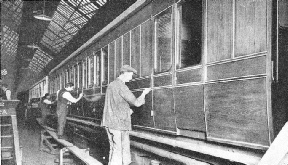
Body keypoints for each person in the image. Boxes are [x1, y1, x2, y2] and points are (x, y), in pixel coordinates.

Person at [102, 65, 151, 165]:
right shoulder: (122, 86)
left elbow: (115, 103)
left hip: (109, 122)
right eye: (131, 75)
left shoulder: (111, 85)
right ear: (125, 73)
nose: (131, 78)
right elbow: (136, 102)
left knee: (114, 148)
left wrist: (127, 110)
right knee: (119, 150)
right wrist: (144, 93)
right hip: (119, 123)